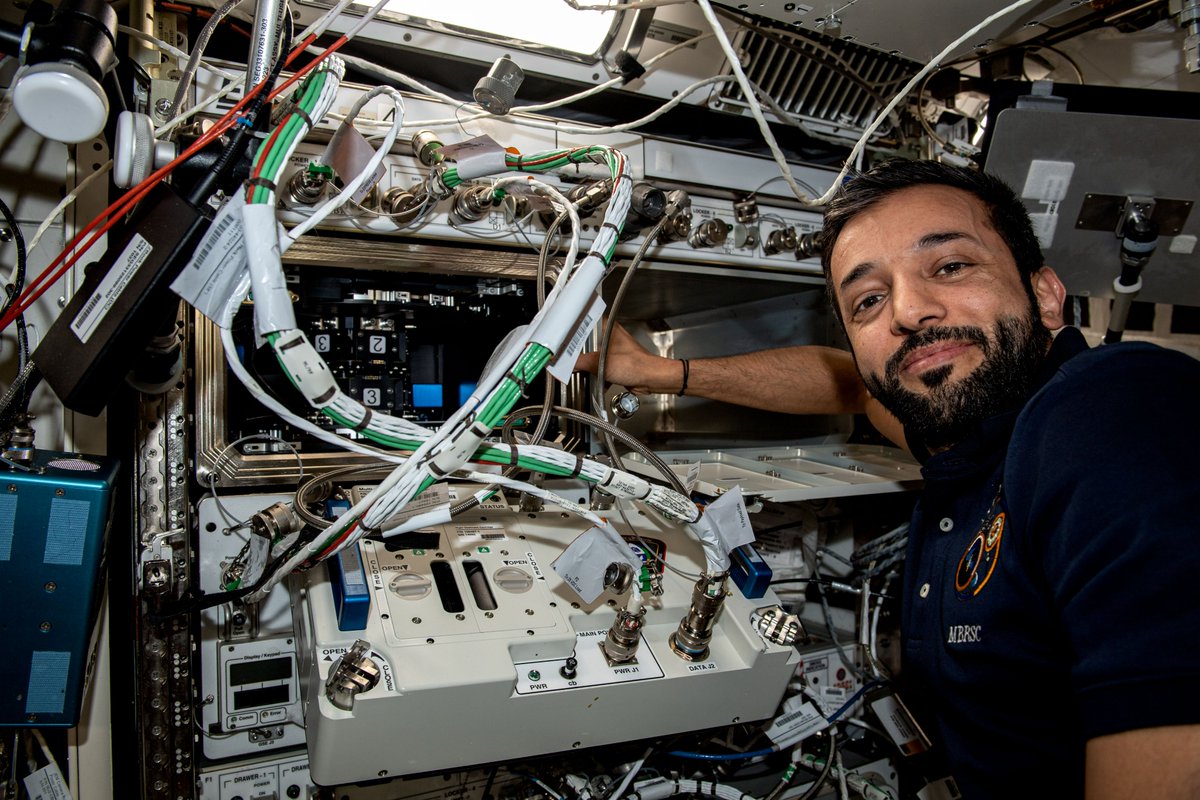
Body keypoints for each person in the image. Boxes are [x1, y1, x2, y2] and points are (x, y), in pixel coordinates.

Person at [576, 158, 1200, 799]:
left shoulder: (1112, 407)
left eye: (950, 267)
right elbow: (849, 385)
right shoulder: (971, 438)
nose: (907, 310)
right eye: (868, 300)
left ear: (1043, 293)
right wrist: (662, 373)